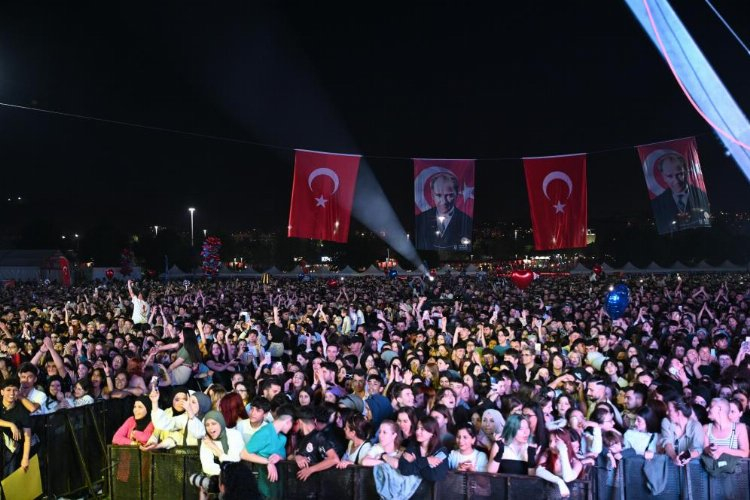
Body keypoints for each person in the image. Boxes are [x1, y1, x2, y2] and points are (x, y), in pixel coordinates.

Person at [649, 151, 710, 234]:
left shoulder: (702, 196)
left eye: (680, 174)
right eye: (670, 176)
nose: (676, 180)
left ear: (686, 172)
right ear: (663, 177)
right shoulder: (658, 203)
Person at [415, 172, 473, 251]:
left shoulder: (467, 222)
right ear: (432, 195)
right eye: (439, 195)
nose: (444, 201)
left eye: (449, 195)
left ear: (456, 194)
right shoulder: (420, 220)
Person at [197, 411, 244, 500]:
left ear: (221, 422)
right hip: (218, 481)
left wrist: (215, 448)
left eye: (213, 423)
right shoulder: (206, 440)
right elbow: (207, 466)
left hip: (238, 480)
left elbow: (234, 461)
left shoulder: (235, 435)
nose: (210, 428)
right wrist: (225, 474)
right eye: (207, 425)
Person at [0, 378, 32, 477]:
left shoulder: (22, 411)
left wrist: (25, 458)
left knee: (9, 478)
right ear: (2, 392)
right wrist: (11, 424)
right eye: (8, 390)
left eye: (15, 390)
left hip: (12, 450)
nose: (12, 393)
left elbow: (27, 437)